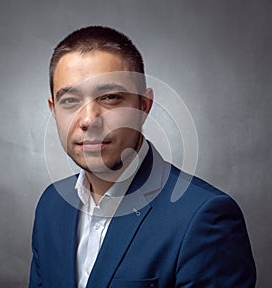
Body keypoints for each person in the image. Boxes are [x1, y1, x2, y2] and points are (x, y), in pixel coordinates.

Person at [29, 26, 256, 287]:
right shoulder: (51, 206)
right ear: (54, 110)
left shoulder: (204, 218)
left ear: (143, 107)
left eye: (110, 97)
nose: (89, 119)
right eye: (70, 100)